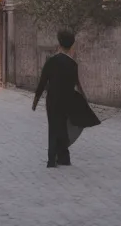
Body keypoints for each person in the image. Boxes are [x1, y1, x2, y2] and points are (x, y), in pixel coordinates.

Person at [32, 30, 86, 168]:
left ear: (59, 43)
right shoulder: (73, 64)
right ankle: (64, 157)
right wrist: (84, 98)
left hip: (52, 101)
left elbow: (42, 83)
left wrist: (35, 101)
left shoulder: (51, 61)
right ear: (71, 45)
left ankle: (52, 159)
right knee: (62, 127)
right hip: (67, 100)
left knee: (53, 128)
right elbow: (77, 83)